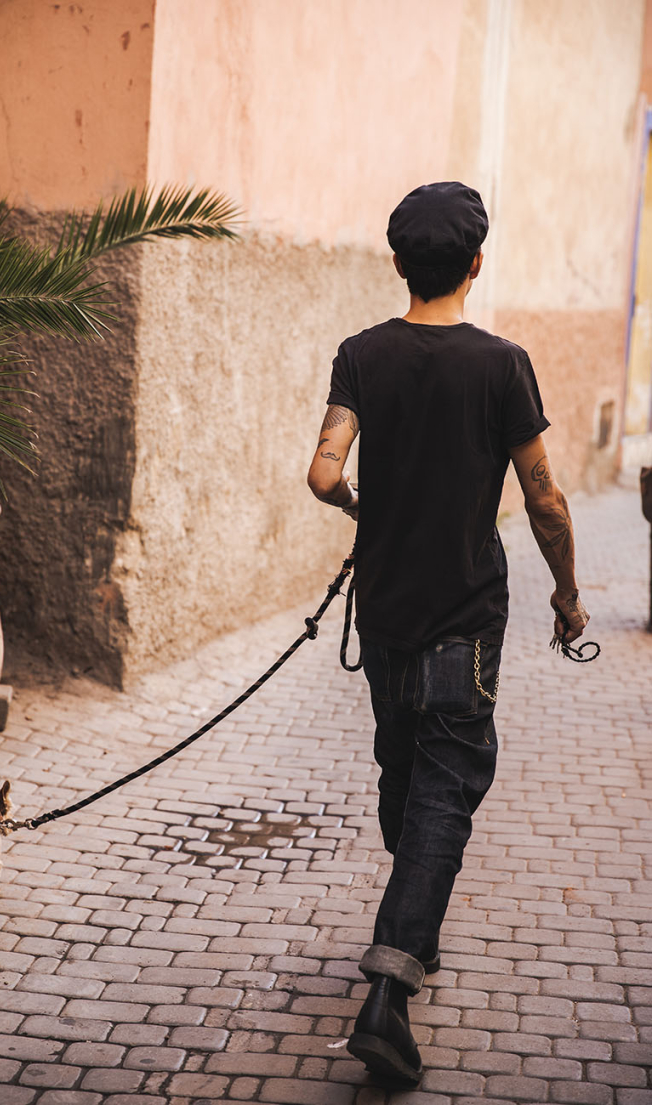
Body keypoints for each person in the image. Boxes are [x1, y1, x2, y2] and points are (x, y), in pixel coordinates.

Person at [307, 181, 590, 1086]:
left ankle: (408, 912)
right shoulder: (503, 366)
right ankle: (390, 984)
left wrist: (356, 502)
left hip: (385, 613)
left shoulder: (362, 355)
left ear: (400, 264)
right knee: (446, 785)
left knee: (405, 770)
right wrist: (569, 596)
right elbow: (543, 496)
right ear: (476, 263)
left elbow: (321, 471)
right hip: (464, 621)